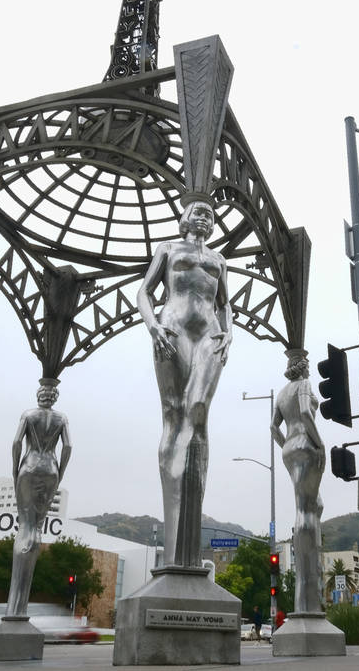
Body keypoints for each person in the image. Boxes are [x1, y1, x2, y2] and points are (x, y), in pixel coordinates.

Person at [136, 199, 231, 566]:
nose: (205, 215)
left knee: (199, 411)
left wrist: (229, 332)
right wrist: (152, 325)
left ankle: (188, 539)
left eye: (210, 212)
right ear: (185, 218)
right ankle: (176, 542)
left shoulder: (219, 260)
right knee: (174, 415)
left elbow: (225, 302)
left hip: (209, 333)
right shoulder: (168, 249)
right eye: (198, 211)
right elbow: (144, 291)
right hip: (172, 328)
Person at [5, 381, 72, 617]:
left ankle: (15, 608)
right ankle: (19, 606)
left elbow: (16, 443)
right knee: (37, 527)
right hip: (51, 468)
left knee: (26, 526)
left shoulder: (28, 414)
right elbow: (68, 446)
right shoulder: (61, 418)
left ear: (40, 395)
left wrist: (15, 469)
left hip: (30, 466)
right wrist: (60, 471)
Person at [271, 353, 325, 614]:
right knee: (306, 509)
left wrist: (287, 447)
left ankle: (311, 578)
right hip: (305, 443)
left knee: (314, 504)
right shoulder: (303, 385)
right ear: (303, 370)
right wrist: (319, 443)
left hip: (290, 447)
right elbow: (305, 412)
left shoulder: (281, 394)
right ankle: (307, 599)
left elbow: (273, 428)